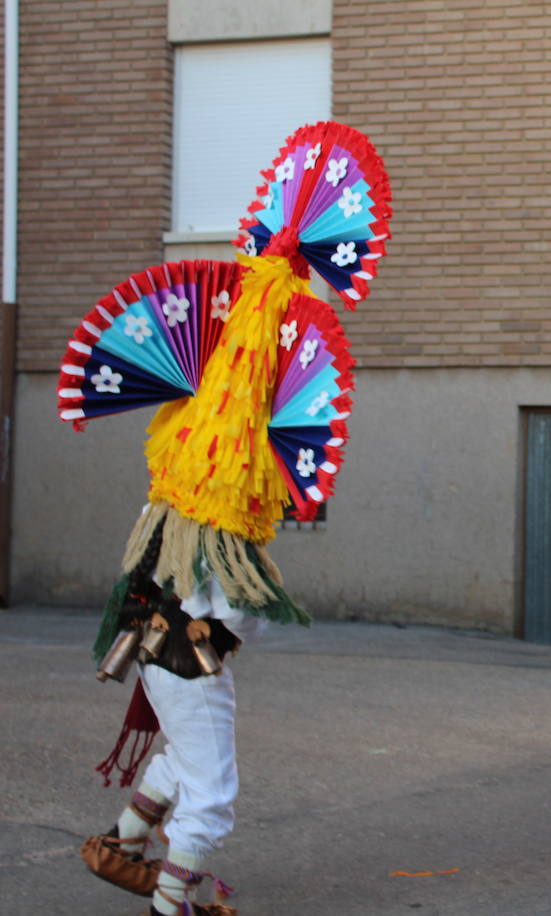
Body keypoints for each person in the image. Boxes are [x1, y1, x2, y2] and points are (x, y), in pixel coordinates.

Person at [66, 120, 392, 914]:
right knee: (214, 788)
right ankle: (171, 899)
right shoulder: (220, 537)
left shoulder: (174, 493)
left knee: (185, 757)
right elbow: (245, 611)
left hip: (153, 646)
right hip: (184, 660)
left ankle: (123, 845)